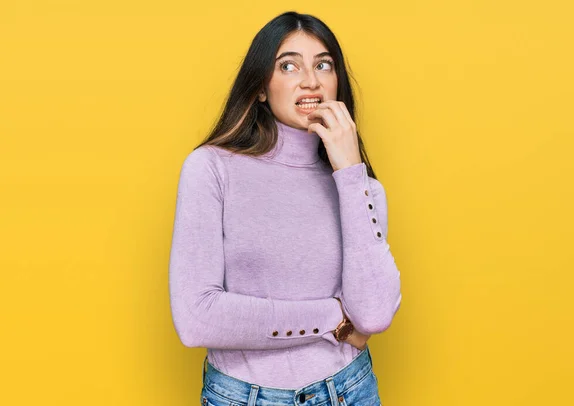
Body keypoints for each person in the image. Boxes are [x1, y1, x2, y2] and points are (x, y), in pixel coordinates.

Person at [168, 11, 402, 406]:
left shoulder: (361, 189)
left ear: (336, 83)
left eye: (323, 65)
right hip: (241, 396)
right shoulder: (211, 169)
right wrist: (334, 319)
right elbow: (197, 318)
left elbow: (375, 314)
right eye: (288, 65)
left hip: (348, 390)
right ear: (261, 87)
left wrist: (348, 170)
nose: (310, 80)